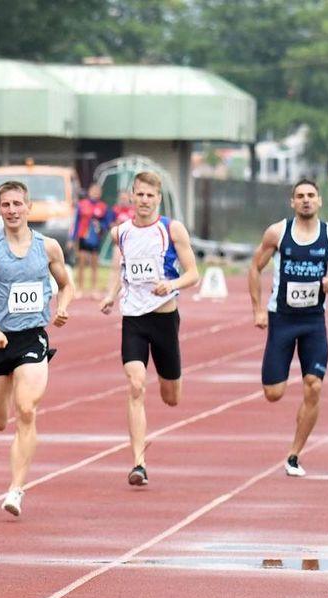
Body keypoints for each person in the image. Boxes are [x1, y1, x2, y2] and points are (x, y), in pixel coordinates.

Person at [0, 181, 74, 516]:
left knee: (26, 409)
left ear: (29, 207)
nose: (12, 210)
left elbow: (66, 284)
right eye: (6, 205)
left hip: (31, 337)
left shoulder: (49, 247)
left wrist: (63, 307)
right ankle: (8, 382)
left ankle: (16, 489)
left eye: (18, 204)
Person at [247, 179, 328, 477]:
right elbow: (255, 267)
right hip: (282, 320)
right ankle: (282, 372)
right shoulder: (278, 233)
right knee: (273, 393)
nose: (306, 200)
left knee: (314, 386)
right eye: (300, 196)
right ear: (292, 202)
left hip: (313, 322)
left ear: (319, 201)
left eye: (311, 196)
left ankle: (294, 455)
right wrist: (257, 309)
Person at [100, 172, 198, 487]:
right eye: (139, 195)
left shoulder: (172, 230)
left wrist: (171, 283)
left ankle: (170, 382)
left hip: (165, 319)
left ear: (158, 198)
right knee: (136, 385)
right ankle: (138, 462)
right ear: (132, 196)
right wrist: (110, 295)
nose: (144, 201)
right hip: (134, 320)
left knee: (171, 396)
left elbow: (194, 273)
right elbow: (120, 269)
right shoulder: (121, 233)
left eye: (149, 196)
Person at [71, 182, 108, 298]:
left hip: (96, 238)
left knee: (94, 264)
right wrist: (72, 238)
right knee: (81, 263)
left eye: (97, 191)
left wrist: (100, 226)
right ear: (89, 191)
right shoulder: (82, 204)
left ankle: (94, 289)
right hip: (83, 236)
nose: (95, 193)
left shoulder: (102, 206)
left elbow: (106, 224)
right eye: (93, 190)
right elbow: (76, 222)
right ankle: (80, 288)